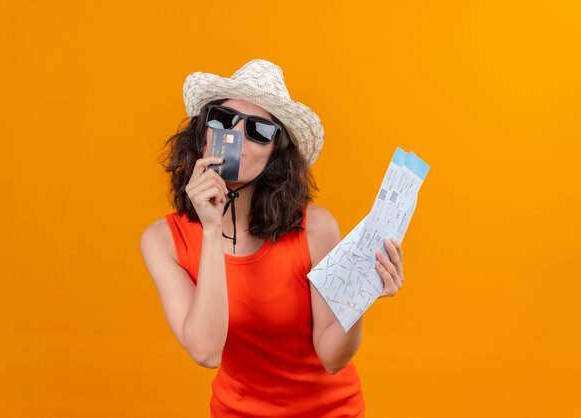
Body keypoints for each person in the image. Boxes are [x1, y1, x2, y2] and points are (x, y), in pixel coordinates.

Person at [140, 59, 405, 417]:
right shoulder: (163, 241)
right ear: (202, 132)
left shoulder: (316, 228)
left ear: (274, 155)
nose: (237, 139)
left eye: (259, 131)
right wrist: (212, 229)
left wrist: (360, 296)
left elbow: (332, 358)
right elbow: (205, 351)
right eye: (223, 119)